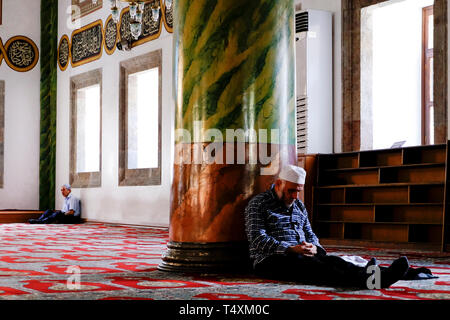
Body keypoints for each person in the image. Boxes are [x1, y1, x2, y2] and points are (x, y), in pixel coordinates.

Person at [244, 164, 418, 289]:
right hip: (270, 260)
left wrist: (315, 247)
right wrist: (290, 249)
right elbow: (258, 239)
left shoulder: (299, 206)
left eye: (299, 191)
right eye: (291, 191)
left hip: (303, 254)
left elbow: (309, 233)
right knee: (316, 267)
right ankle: (371, 280)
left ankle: (379, 274)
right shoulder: (258, 204)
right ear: (279, 183)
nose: (295, 196)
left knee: (332, 261)